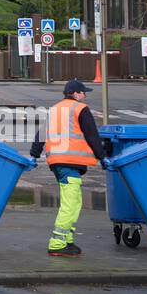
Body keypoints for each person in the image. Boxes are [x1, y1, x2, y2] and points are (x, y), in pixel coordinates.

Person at [30, 79, 105, 258]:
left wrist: (34, 154)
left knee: (75, 201)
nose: (85, 96)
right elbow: (92, 135)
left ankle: (67, 240)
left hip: (57, 162)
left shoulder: (55, 109)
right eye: (83, 92)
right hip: (69, 162)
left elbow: (42, 133)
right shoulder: (80, 109)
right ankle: (57, 243)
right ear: (76, 93)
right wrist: (103, 157)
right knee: (70, 203)